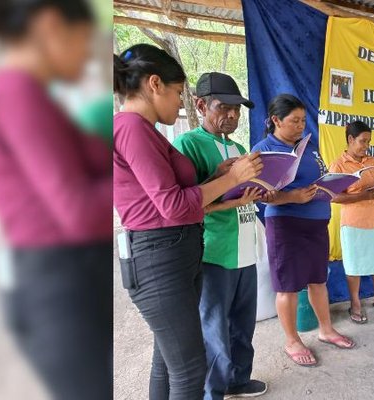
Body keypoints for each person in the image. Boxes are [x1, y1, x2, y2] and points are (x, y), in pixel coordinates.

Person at [114, 44, 263, 399]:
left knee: (169, 363)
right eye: (179, 92)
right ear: (154, 84)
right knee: (190, 368)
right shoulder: (132, 128)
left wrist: (217, 174)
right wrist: (230, 181)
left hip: (173, 253)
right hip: (157, 256)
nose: (180, 103)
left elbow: (175, 192)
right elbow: (173, 206)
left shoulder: (144, 130)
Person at [0, 1, 111, 398]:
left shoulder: (28, 94)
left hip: (61, 275)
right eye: (84, 41)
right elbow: (75, 210)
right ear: (50, 25)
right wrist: (137, 185)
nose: (87, 55)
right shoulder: (15, 92)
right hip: (61, 281)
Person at [173, 72, 268, 399]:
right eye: (224, 107)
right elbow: (186, 205)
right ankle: (211, 392)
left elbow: (244, 194)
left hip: (244, 250)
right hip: (214, 252)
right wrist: (229, 194)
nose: (232, 115)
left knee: (243, 326)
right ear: (201, 105)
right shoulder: (188, 144)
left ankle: (238, 380)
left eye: (237, 109)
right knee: (214, 333)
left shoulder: (240, 147)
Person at [252, 94, 355, 368]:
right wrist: (291, 198)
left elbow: (317, 177)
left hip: (316, 222)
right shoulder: (264, 149)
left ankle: (326, 329)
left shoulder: (307, 146)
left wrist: (332, 186)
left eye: (302, 120)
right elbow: (258, 194)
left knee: (318, 280)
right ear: (276, 120)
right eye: (294, 121)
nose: (300, 126)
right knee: (287, 286)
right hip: (286, 225)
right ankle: (292, 340)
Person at [330, 121, 374, 323]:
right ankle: (355, 303)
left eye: (368, 141)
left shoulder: (372, 161)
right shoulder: (339, 164)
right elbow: (333, 197)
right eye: (362, 141)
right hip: (354, 223)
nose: (366, 146)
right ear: (350, 140)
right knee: (354, 264)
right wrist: (361, 196)